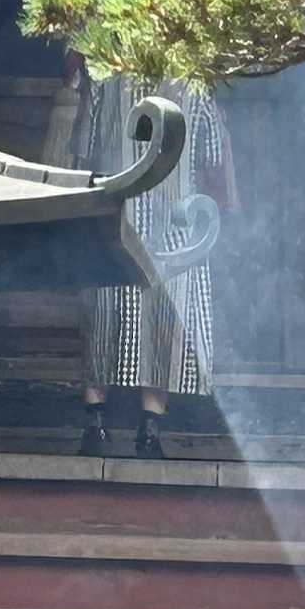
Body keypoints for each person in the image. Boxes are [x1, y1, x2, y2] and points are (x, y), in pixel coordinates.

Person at [48, 59, 236, 457]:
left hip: (123, 221)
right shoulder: (190, 81)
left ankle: (101, 424)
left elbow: (84, 151)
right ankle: (145, 430)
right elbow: (212, 155)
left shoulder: (106, 77)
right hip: (163, 223)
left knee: (118, 320)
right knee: (147, 323)